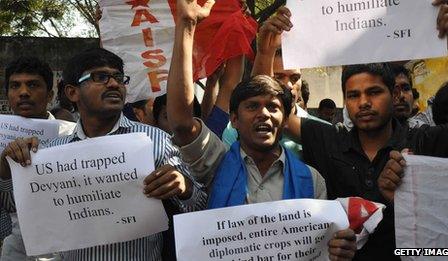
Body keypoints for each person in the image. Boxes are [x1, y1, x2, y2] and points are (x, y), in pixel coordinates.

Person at [252, 1, 448, 259]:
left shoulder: (424, 140)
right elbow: (272, 113)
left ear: (394, 93)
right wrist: (265, 51)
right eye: (353, 95)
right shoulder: (328, 139)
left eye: (374, 92)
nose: (363, 102)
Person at [166, 1, 356, 260]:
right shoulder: (217, 163)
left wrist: (338, 250)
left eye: (273, 107)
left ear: (285, 119)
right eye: (252, 106)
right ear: (234, 119)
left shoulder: (312, 181)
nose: (264, 114)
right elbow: (181, 123)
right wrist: (186, 25)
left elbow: (318, 249)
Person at [0, 48, 206, 260]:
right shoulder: (52, 152)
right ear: (72, 92)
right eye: (100, 77)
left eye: (118, 77)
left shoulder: (155, 141)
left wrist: (184, 187)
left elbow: (199, 205)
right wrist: (6, 170)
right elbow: (16, 209)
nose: (114, 84)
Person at [0, 57, 76, 260]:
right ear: (8, 95)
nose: (24, 92)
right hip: (18, 247)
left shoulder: (73, 135)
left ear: (50, 95)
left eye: (33, 85)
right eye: (15, 86)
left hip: (71, 246)